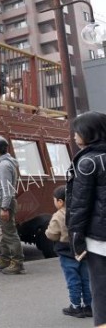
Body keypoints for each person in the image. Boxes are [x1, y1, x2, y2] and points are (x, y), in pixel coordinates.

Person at [66, 111, 106, 327]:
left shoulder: (87, 162)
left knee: (101, 293)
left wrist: (75, 239)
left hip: (99, 240)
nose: (74, 136)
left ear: (90, 133)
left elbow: (79, 207)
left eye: (77, 131)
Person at [45, 186, 92, 318]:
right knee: (86, 279)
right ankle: (89, 306)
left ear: (60, 201)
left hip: (67, 253)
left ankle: (75, 306)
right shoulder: (82, 211)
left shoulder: (59, 215)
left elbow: (52, 234)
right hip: (83, 251)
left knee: (73, 280)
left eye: (54, 200)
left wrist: (47, 232)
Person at [0, 135, 25, 274]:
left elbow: (7, 188)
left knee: (9, 234)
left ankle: (17, 263)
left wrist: (4, 207)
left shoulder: (4, 165)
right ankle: (5, 259)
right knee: (0, 233)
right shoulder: (2, 163)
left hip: (3, 204)